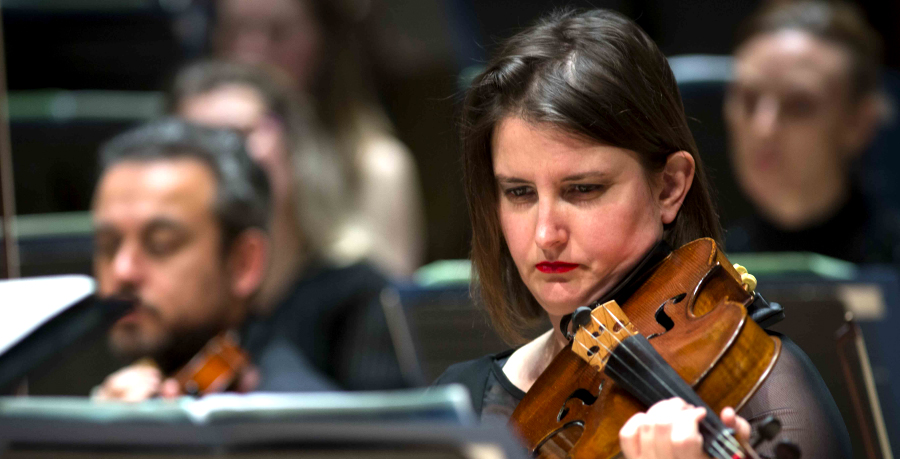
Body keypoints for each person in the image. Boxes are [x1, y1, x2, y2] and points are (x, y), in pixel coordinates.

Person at [434, 8, 851, 459]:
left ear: (669, 187)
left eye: (583, 189)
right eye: (519, 192)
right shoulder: (465, 399)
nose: (545, 233)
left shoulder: (764, 386)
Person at [168, 62, 408, 391]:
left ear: (292, 142)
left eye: (239, 134)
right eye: (199, 144)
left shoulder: (362, 296)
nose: (224, 159)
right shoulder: (178, 307)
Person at [91, 119, 338, 401]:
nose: (122, 270)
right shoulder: (127, 391)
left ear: (243, 263)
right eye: (107, 246)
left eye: (161, 245)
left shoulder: (300, 422)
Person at [209, 0, 425, 278]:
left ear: (325, 42)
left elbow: (381, 308)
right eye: (233, 29)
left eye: (278, 32)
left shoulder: (377, 165)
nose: (250, 54)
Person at [724, 0, 900, 263]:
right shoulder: (708, 268)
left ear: (859, 123)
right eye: (748, 100)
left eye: (799, 105)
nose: (763, 128)